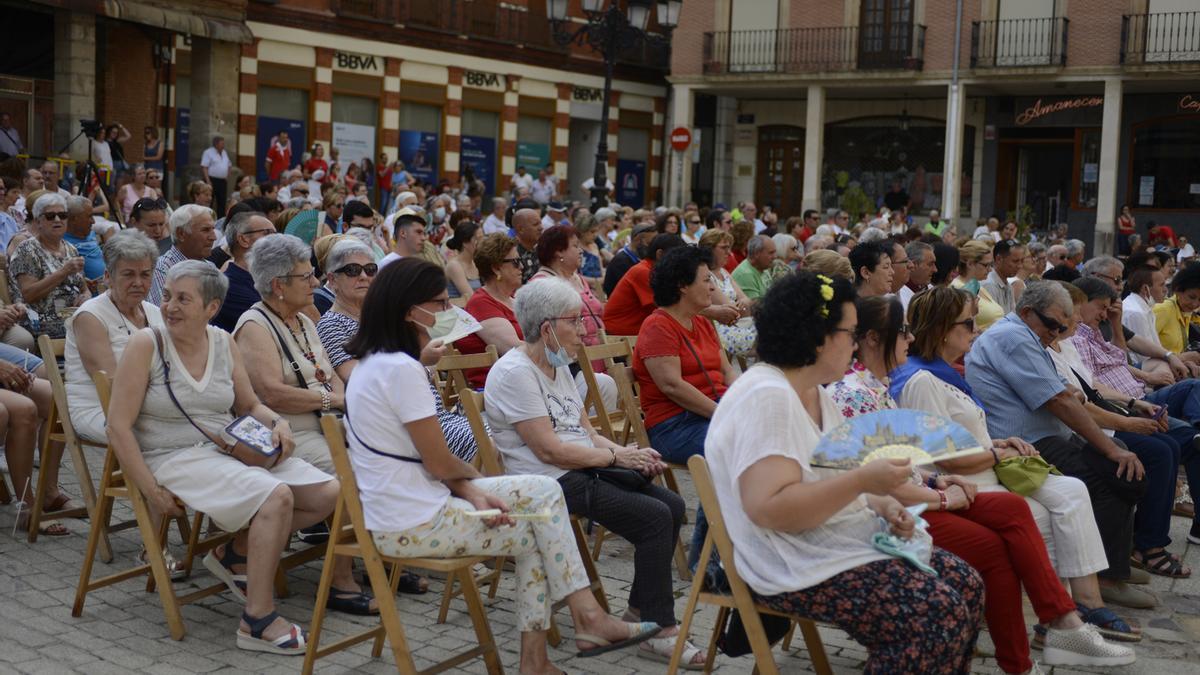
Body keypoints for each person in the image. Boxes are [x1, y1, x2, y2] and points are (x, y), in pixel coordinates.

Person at [344, 261, 662, 672]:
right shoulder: (403, 370)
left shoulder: (380, 363)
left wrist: (477, 490)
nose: (448, 312)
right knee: (537, 518)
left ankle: (558, 642)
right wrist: (479, 485)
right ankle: (579, 625)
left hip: (404, 508)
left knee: (541, 506)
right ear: (410, 311)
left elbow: (432, 462)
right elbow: (439, 461)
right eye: (439, 303)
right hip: (412, 522)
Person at [831, 294, 1135, 671]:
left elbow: (904, 462)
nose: (908, 340)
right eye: (902, 332)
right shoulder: (868, 390)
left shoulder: (877, 387)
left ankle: (1062, 623)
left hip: (928, 489)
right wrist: (944, 490)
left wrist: (941, 479)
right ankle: (1043, 641)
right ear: (875, 339)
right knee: (1009, 534)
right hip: (898, 509)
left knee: (1029, 506)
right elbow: (872, 479)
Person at [706, 271, 984, 672]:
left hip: (818, 540)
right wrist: (862, 482)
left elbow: (833, 477)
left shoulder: (814, 391)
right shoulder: (768, 397)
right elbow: (769, 509)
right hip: (785, 559)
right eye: (850, 333)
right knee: (934, 613)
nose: (855, 345)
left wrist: (884, 505)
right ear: (818, 335)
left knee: (966, 585)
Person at [105, 260, 375, 652]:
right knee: (277, 496)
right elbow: (118, 427)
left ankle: (237, 550)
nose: (170, 307)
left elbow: (249, 404)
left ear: (212, 308)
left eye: (183, 299)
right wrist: (150, 490)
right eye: (167, 297)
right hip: (172, 456)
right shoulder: (147, 343)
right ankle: (257, 618)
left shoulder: (222, 341)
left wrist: (277, 423)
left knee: (330, 492)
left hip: (226, 448)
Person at [894, 285, 1143, 638]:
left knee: (1073, 489)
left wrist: (998, 442)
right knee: (1049, 508)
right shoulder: (922, 379)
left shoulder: (942, 372)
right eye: (968, 323)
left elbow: (957, 433)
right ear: (943, 328)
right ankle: (1059, 615)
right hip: (967, 479)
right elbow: (940, 458)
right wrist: (997, 451)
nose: (976, 330)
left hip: (986, 466)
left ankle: (1077, 606)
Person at [483, 277, 702, 668]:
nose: (585, 330)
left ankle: (639, 613)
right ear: (548, 328)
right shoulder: (515, 373)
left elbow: (586, 433)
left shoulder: (559, 365)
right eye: (575, 320)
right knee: (653, 518)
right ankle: (662, 632)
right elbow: (549, 450)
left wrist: (626, 451)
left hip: (582, 467)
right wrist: (616, 460)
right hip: (548, 481)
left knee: (672, 504)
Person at [966, 281, 1150, 608]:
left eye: (1064, 326)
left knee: (1127, 472)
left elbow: (1065, 393)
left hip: (1046, 435)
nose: (1058, 332)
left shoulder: (1028, 334)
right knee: (1112, 474)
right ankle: (1104, 576)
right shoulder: (1012, 336)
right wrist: (1111, 448)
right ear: (1026, 312)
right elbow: (1060, 402)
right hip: (1027, 442)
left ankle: (1113, 564)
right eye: (1053, 325)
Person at [1064, 279, 1198, 580]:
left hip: (1127, 401)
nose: (1104, 312)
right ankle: (1147, 546)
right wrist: (1130, 414)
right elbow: (1078, 399)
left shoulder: (1081, 334)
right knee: (1162, 447)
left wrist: (1116, 323)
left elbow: (1117, 364)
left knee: (1172, 442)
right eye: (1100, 306)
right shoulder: (1068, 338)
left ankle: (1148, 543)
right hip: (1101, 416)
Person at [634, 245, 737, 569]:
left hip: (710, 413)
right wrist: (724, 413)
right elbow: (672, 386)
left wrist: (742, 400)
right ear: (682, 285)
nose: (713, 287)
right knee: (729, 450)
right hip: (674, 425)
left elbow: (727, 370)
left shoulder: (702, 322)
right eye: (707, 280)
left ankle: (748, 542)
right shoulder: (658, 326)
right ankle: (707, 563)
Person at [234, 235, 342, 476]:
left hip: (333, 424)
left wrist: (343, 400)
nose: (315, 282)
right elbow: (272, 395)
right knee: (357, 471)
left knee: (389, 455)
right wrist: (332, 401)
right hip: (293, 434)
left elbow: (329, 372)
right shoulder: (255, 326)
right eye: (306, 277)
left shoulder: (304, 320)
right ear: (278, 286)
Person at [66, 229, 163, 444]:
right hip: (101, 409)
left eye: (145, 274)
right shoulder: (90, 316)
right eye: (128, 274)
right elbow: (111, 383)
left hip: (150, 407)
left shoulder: (155, 313)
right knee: (169, 434)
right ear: (108, 277)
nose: (138, 282)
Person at [9, 193, 91, 338]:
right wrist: (63, 272)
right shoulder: (27, 250)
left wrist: (85, 296)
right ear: (38, 221)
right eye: (50, 216)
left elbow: (84, 287)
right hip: (42, 322)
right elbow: (28, 295)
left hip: (72, 317)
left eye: (62, 215)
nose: (57, 220)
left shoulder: (71, 249)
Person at [603, 234, 684, 337]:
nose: (680, 264)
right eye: (676, 258)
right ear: (660, 254)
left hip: (635, 332)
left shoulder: (654, 271)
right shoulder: (643, 272)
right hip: (620, 334)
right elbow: (666, 307)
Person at [212, 212, 276, 332]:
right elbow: (276, 323)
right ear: (243, 239)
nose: (277, 240)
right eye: (268, 233)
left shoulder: (263, 280)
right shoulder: (229, 287)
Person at [698, 229, 754, 360]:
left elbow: (746, 300)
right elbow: (731, 309)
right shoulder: (706, 275)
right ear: (709, 249)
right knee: (773, 337)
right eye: (724, 248)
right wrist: (743, 305)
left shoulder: (723, 272)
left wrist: (744, 304)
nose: (729, 253)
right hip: (720, 329)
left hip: (737, 323)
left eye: (729, 248)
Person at [149, 204, 218, 306]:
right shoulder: (160, 270)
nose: (214, 237)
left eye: (213, 229)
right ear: (181, 234)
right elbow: (162, 317)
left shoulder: (211, 268)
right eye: (205, 230)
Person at [954, 240, 1004, 331]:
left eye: (991, 265)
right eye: (986, 265)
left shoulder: (976, 285)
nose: (990, 270)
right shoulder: (958, 288)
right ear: (970, 264)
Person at [603, 222, 656, 296]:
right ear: (638, 240)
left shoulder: (640, 258)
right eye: (650, 243)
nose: (653, 248)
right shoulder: (620, 262)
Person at [63, 195, 105, 283]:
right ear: (74, 219)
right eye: (89, 216)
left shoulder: (89, 232)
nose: (93, 221)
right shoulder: (63, 243)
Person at [982, 239, 1024, 314]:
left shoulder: (1008, 286)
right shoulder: (989, 285)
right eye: (1015, 261)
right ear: (999, 259)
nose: (1020, 266)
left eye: (1022, 261)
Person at [729, 234, 776, 301]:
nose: (775, 256)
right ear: (756, 253)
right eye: (771, 253)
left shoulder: (763, 267)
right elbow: (755, 308)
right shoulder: (745, 274)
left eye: (774, 252)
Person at [444, 220, 482, 300]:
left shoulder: (476, 262)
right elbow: (471, 298)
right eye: (478, 239)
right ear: (465, 242)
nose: (482, 242)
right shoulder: (454, 266)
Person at [201, 136, 233, 216]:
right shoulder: (208, 152)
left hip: (222, 181)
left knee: (222, 201)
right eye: (222, 143)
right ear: (216, 144)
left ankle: (220, 218)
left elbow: (229, 165)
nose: (223, 145)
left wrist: (227, 176)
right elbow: (204, 167)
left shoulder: (224, 153)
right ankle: (207, 216)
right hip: (212, 180)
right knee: (209, 200)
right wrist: (208, 181)